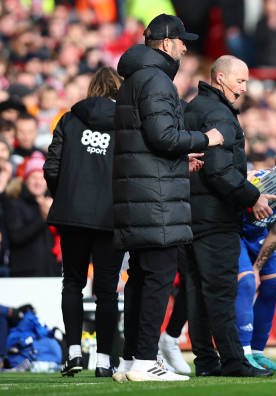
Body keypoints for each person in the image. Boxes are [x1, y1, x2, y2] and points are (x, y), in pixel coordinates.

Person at [111, 14, 224, 382]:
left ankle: (130, 360)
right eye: (180, 40)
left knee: (142, 277)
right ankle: (145, 360)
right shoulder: (156, 80)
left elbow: (151, 140)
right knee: (157, 276)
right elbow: (163, 136)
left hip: (141, 191)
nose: (184, 47)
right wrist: (204, 139)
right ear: (163, 43)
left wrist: (179, 154)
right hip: (155, 197)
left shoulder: (134, 79)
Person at [183, 55, 275, 378]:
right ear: (221, 79)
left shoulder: (190, 108)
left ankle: (206, 361)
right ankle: (234, 359)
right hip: (215, 216)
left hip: (188, 215)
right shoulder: (219, 114)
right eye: (240, 81)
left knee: (195, 291)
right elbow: (220, 172)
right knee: (221, 290)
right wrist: (253, 197)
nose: (245, 88)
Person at [43, 67, 126, 378]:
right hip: (110, 218)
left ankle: (74, 352)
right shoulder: (126, 124)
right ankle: (104, 359)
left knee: (73, 284)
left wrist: (65, 196)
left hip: (73, 216)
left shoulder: (69, 119)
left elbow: (52, 166)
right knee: (107, 292)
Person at [235, 149, 276, 372]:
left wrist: (257, 266)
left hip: (259, 236)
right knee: (247, 283)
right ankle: (242, 352)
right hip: (236, 233)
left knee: (271, 286)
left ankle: (258, 351)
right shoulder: (257, 179)